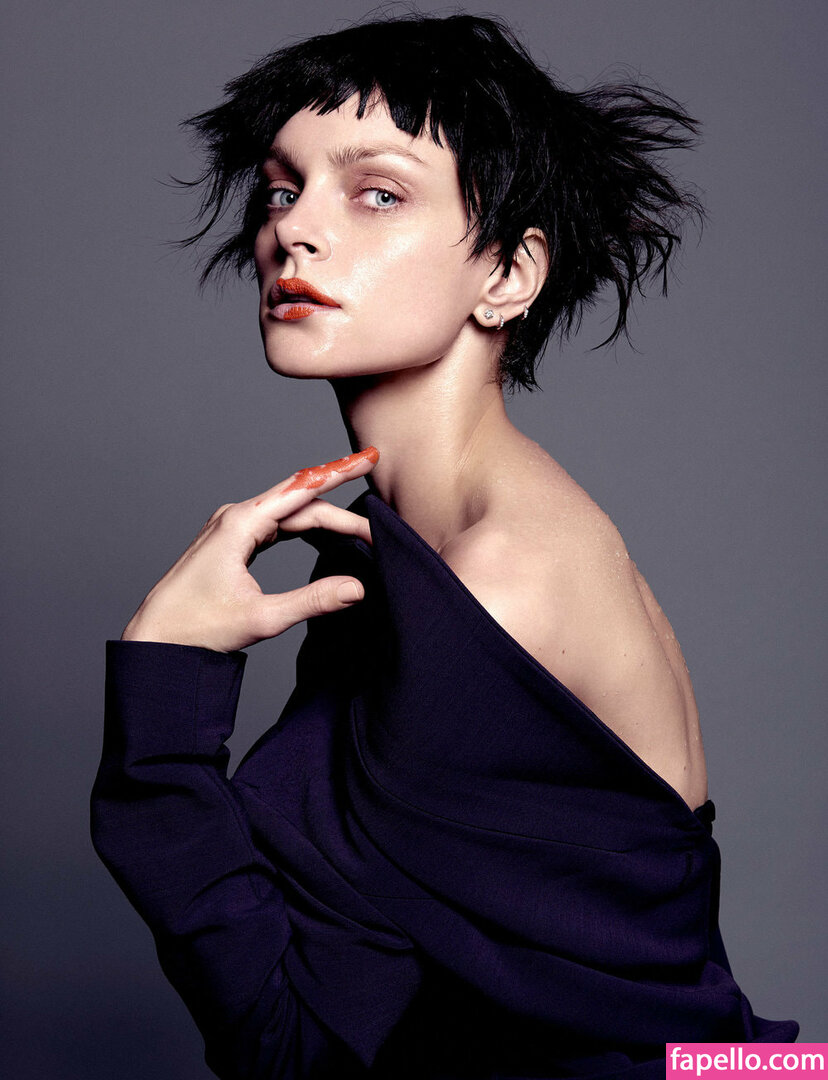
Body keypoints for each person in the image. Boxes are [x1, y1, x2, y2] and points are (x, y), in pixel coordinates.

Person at [90, 12, 799, 1079]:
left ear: (508, 274)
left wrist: (165, 681)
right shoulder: (415, 546)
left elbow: (292, 1049)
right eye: (282, 190)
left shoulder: (495, 582)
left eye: (377, 193)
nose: (295, 232)